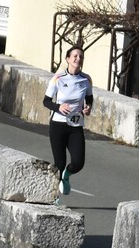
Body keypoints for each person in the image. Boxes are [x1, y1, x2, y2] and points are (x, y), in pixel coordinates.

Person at [43, 47, 93, 199]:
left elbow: (89, 97)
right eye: (75, 56)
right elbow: (46, 101)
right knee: (59, 164)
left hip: (75, 126)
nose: (78, 59)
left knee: (78, 163)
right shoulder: (58, 78)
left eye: (81, 57)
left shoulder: (86, 79)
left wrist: (88, 107)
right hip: (58, 126)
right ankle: (55, 198)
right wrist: (58, 107)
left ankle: (66, 175)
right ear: (68, 59)